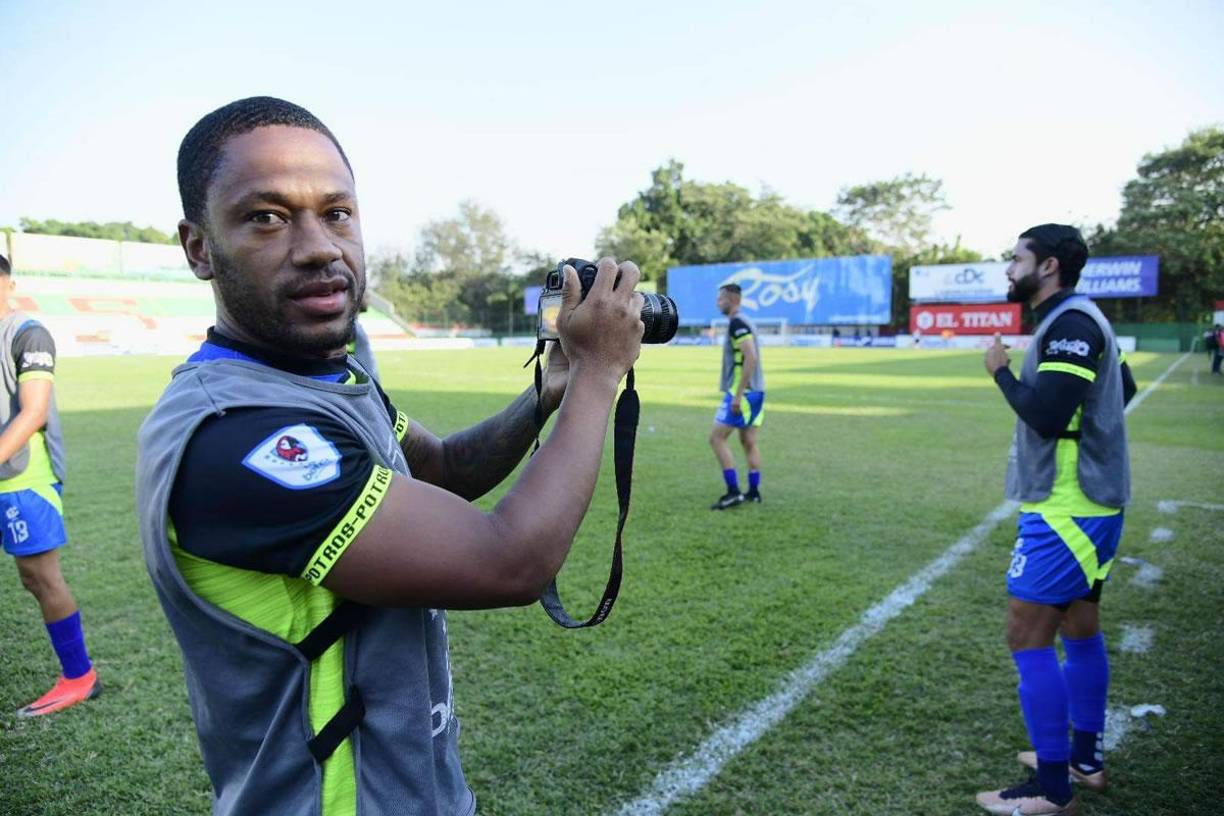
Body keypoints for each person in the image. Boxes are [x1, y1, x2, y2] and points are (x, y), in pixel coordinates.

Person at [136, 97, 644, 816]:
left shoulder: (326, 377)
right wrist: (599, 373)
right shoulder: (237, 435)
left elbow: (439, 469)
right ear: (198, 247)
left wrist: (553, 388)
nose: (319, 246)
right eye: (267, 217)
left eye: (337, 212)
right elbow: (512, 561)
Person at [978, 224, 1137, 816]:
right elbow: (1125, 386)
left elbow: (1045, 415)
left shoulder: (1070, 323)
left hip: (1069, 508)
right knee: (1081, 626)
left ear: (1046, 267)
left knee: (1026, 633)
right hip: (1089, 503)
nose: (1007, 269)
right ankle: (1084, 760)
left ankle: (1051, 789)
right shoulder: (1078, 319)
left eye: (1015, 259)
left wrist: (1000, 371)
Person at [0, 254, 100, 717]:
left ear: (9, 285)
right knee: (30, 578)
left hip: (22, 475)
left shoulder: (27, 333)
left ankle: (79, 677)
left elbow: (33, 412)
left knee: (40, 576)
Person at [708, 283, 765, 509]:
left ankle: (733, 492)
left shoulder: (737, 323)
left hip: (744, 393)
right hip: (758, 391)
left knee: (716, 438)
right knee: (748, 442)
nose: (717, 303)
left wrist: (738, 395)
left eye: (720, 298)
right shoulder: (746, 321)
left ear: (731, 299)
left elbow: (750, 358)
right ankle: (753, 492)